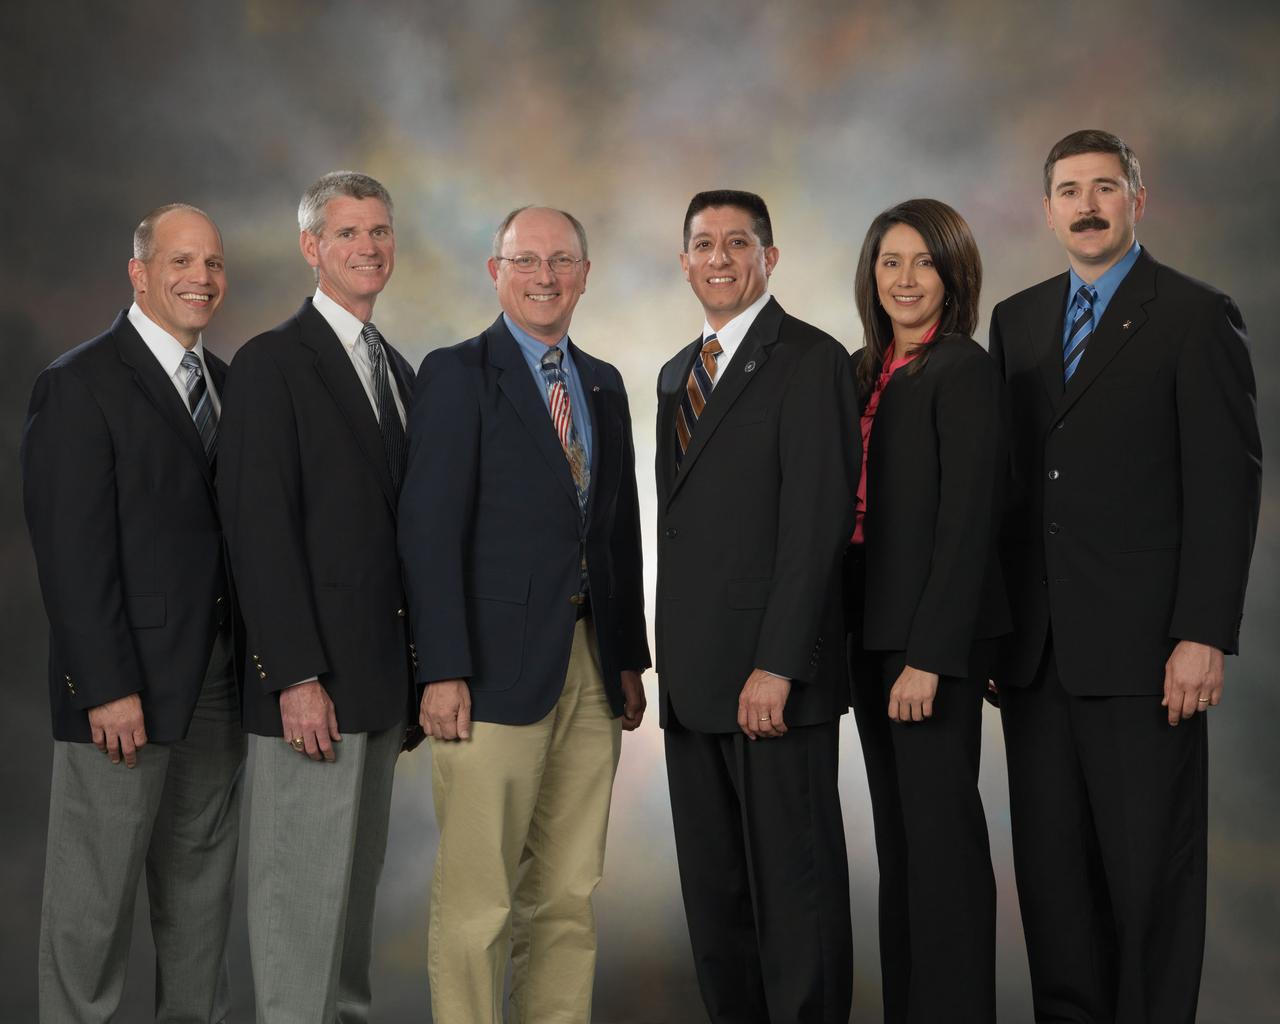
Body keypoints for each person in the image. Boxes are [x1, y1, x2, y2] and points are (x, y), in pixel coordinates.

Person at [991, 129, 1262, 1023]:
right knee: (1056, 891)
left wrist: (1203, 634)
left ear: (1137, 199)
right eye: (1069, 190)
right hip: (1036, 660)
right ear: (1049, 209)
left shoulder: (1194, 313)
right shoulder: (1019, 319)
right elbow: (1011, 488)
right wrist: (997, 625)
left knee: (1149, 885)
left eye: (1105, 187)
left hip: (1151, 657)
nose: (1087, 205)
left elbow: (1227, 487)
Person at [399, 205, 649, 1024]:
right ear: (496, 271)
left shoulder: (604, 382)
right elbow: (428, 531)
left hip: (590, 669)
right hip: (488, 669)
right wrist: (440, 668)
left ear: (584, 271)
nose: (546, 276)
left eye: (562, 260)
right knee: (480, 902)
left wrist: (628, 657)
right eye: (527, 260)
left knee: (569, 896)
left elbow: (618, 526)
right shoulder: (457, 373)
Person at [22, 203, 245, 1022]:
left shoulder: (226, 384)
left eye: (214, 264)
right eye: (182, 261)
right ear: (139, 272)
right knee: (91, 917)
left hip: (217, 689)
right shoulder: (79, 383)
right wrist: (104, 685)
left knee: (199, 913)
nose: (201, 278)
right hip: (124, 695)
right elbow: (70, 555)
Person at [655, 189, 859, 1024]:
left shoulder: (811, 360)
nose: (720, 259)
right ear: (684, 261)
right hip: (693, 685)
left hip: (771, 682)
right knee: (717, 902)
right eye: (704, 243)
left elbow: (816, 529)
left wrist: (777, 664)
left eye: (739, 243)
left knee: (795, 896)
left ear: (768, 258)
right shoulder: (676, 373)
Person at [217, 171, 416, 1023]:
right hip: (313, 690)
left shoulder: (397, 369)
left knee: (347, 923)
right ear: (311, 248)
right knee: (300, 913)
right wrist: (294, 676)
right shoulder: (270, 364)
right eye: (347, 234)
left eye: (378, 232)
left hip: (377, 687)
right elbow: (257, 533)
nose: (367, 248)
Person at [844, 198, 1008, 1023]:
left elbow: (969, 522)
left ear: (953, 274)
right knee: (901, 847)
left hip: (927, 646)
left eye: (923, 263)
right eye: (889, 262)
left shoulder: (964, 371)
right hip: (869, 636)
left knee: (941, 845)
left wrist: (932, 656)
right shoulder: (860, 370)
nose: (905, 280)